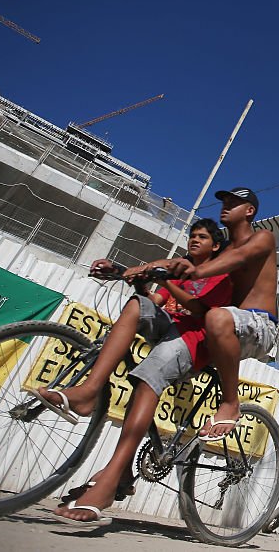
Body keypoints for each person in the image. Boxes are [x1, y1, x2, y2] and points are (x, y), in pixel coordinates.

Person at [34, 219, 233, 525]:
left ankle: (113, 477)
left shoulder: (219, 275)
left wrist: (165, 281)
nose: (194, 240)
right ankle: (88, 392)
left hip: (194, 341)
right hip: (168, 331)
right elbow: (154, 302)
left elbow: (199, 312)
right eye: (192, 235)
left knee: (147, 376)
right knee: (136, 305)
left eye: (202, 237)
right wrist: (131, 279)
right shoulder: (179, 270)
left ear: (216, 245)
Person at [153, 187, 278, 440]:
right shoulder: (220, 254)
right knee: (157, 366)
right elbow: (183, 263)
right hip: (225, 329)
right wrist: (136, 269)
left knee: (217, 316)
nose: (226, 206)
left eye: (234, 202)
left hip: (260, 325)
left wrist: (197, 272)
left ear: (249, 211)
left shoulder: (263, 237)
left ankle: (231, 403)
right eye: (224, 202)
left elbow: (238, 258)